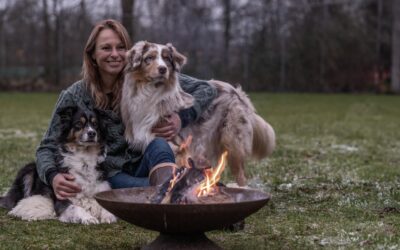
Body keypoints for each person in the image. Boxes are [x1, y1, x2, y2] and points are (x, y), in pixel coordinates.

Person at [36, 19, 217, 201]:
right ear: (92, 54)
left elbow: (207, 89)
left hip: (147, 160)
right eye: (106, 48)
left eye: (121, 47)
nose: (115, 54)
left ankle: (177, 193)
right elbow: (47, 146)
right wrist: (53, 176)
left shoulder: (144, 74)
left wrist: (181, 118)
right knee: (155, 188)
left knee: (159, 145)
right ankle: (190, 193)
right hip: (111, 174)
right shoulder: (76, 94)